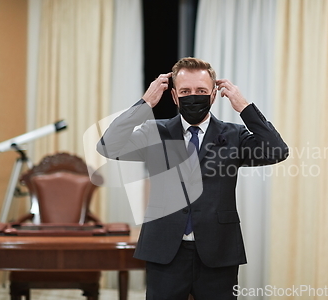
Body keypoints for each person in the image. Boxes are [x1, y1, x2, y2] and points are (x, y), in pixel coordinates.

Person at [97, 57, 288, 299]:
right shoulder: (155, 132)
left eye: (201, 91)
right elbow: (108, 146)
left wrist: (245, 108)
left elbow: (277, 150)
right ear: (175, 96)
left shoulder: (234, 136)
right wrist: (145, 104)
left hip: (219, 252)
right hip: (165, 251)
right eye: (186, 91)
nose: (193, 96)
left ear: (213, 95)